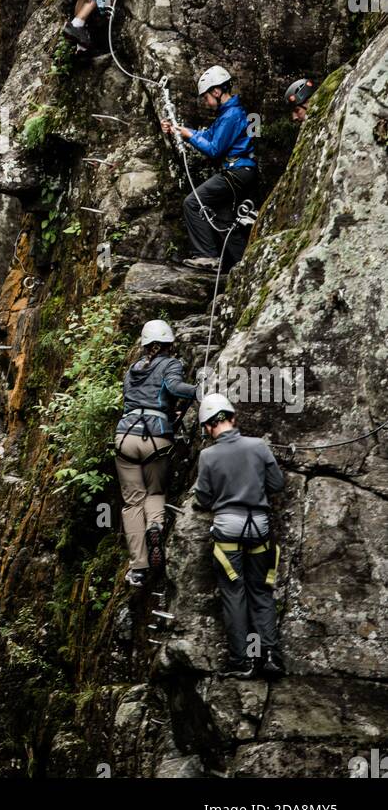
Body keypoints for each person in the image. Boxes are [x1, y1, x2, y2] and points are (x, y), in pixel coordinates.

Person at [194, 394, 285, 679]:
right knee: (261, 591)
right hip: (259, 527)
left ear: (208, 427)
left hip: (228, 530)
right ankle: (270, 656)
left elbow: (204, 498)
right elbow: (277, 484)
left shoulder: (207, 455)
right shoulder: (258, 446)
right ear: (233, 418)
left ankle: (242, 660)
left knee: (235, 594)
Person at [115, 319, 198, 588]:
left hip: (125, 436)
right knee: (154, 492)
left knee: (131, 503)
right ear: (168, 344)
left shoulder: (132, 369)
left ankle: (138, 568)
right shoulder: (170, 363)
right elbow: (173, 387)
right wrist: (199, 391)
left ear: (145, 344)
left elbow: (137, 399)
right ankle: (155, 527)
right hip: (156, 436)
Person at [160, 64, 257, 272]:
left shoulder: (232, 114)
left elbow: (214, 149)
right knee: (224, 221)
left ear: (216, 91)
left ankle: (207, 256)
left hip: (237, 172)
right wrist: (181, 130)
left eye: (206, 97)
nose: (205, 102)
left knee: (192, 203)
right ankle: (243, 267)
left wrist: (189, 136)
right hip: (241, 172)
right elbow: (208, 135)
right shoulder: (227, 113)